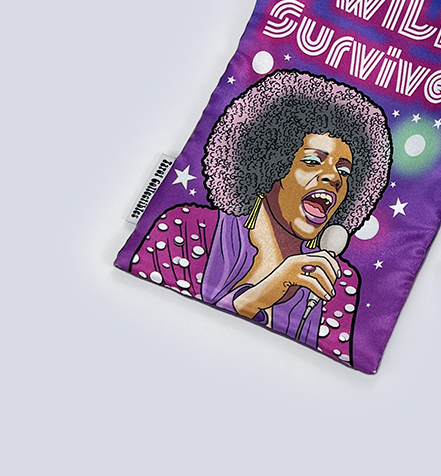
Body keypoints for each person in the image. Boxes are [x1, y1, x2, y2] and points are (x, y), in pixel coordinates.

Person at [128, 70, 392, 367]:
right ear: (269, 165)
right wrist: (254, 299)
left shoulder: (337, 282)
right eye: (312, 161)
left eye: (344, 171)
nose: (334, 177)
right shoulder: (186, 229)